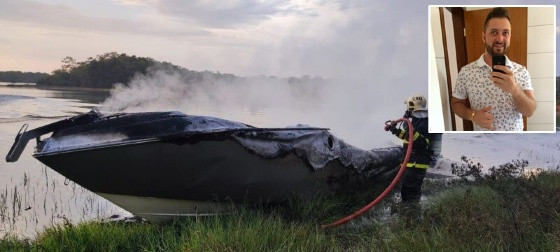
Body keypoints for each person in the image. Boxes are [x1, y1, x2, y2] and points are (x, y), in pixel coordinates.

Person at [451, 7, 536, 131]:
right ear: (484, 36)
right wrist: (473, 115)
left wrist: (514, 90)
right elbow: (455, 103)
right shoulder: (467, 72)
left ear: (510, 37)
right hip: (483, 143)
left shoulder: (521, 71)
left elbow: (530, 111)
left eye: (505, 33)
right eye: (494, 32)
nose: (500, 39)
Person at [385, 94, 435, 210]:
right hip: (411, 163)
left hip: (416, 163)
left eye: (408, 107)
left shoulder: (424, 122)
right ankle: (409, 214)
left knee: (410, 194)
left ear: (413, 106)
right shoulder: (416, 120)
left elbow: (423, 142)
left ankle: (410, 216)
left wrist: (411, 131)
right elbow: (409, 138)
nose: (406, 110)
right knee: (407, 191)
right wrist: (395, 130)